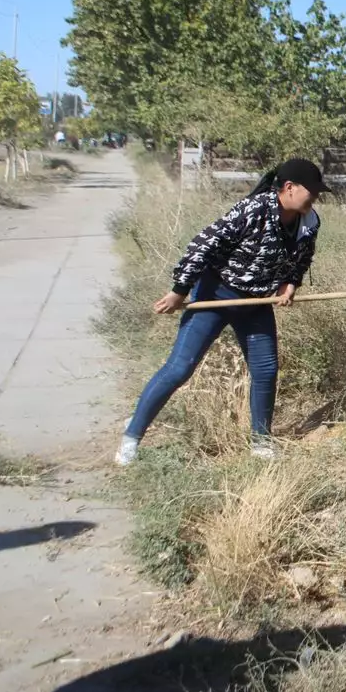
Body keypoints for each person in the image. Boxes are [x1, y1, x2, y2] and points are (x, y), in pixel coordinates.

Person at [117, 158, 326, 466]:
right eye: (313, 191)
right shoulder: (253, 209)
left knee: (265, 371)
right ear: (289, 188)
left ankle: (261, 442)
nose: (316, 198)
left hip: (254, 304)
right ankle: (131, 437)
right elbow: (204, 244)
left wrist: (289, 284)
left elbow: (302, 259)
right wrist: (180, 289)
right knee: (180, 368)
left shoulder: (309, 222)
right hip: (215, 294)